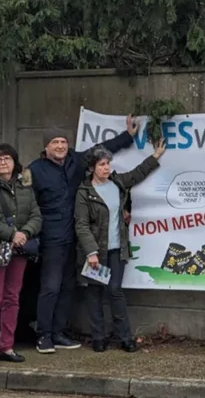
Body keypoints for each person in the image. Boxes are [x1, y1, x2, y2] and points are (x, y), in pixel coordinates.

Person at [28, 116, 140, 354]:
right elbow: (28, 204)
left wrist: (128, 136)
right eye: (55, 142)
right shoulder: (34, 170)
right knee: (50, 286)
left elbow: (104, 150)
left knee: (69, 286)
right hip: (51, 238)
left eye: (63, 141)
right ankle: (43, 335)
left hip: (76, 240)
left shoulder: (75, 160)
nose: (60, 146)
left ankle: (59, 332)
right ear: (46, 146)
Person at [75, 140, 166, 352]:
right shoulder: (84, 192)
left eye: (108, 163)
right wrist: (91, 252)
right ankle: (98, 338)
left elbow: (136, 174)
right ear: (92, 168)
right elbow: (81, 225)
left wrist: (155, 157)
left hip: (117, 250)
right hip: (96, 253)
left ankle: (125, 337)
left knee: (115, 291)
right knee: (95, 292)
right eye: (101, 164)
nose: (106, 168)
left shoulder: (117, 183)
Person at [0, 144, 44, 369]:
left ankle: (7, 346)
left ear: (15, 162)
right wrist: (12, 234)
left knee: (12, 298)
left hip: (18, 250)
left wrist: (25, 234)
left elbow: (36, 215)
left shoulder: (25, 186)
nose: (4, 162)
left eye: (8, 158)